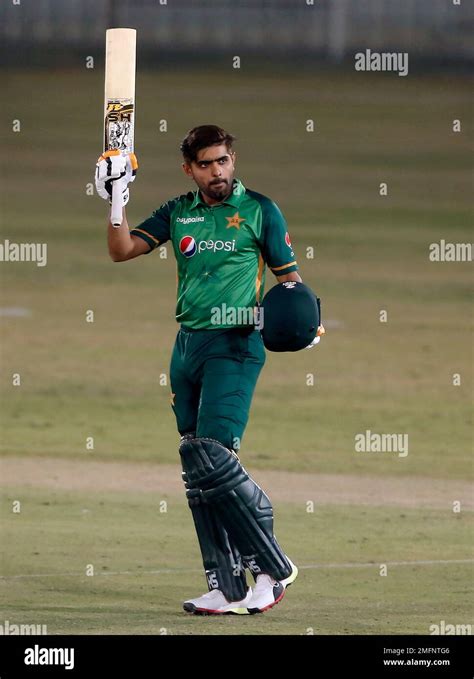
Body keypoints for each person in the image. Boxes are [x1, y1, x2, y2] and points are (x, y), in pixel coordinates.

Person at [95, 125, 306, 615]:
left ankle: (273, 567)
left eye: (224, 161)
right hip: (187, 345)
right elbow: (120, 250)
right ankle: (227, 585)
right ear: (189, 168)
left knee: (214, 456)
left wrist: (301, 326)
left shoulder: (259, 210)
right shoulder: (178, 211)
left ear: (234, 160)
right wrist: (115, 200)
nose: (218, 172)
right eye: (207, 164)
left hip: (235, 343)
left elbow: (291, 284)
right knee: (196, 464)